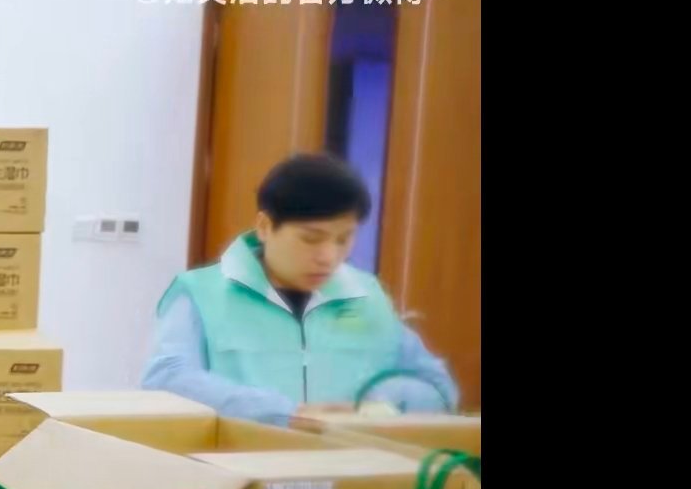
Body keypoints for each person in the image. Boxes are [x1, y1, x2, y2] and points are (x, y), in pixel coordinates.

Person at [142, 152, 460, 423]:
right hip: (241, 464)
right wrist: (283, 413)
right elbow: (167, 380)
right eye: (311, 239)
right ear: (265, 227)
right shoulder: (201, 293)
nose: (329, 256)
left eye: (343, 239)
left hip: (351, 466)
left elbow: (438, 387)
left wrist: (377, 403)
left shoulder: (366, 296)